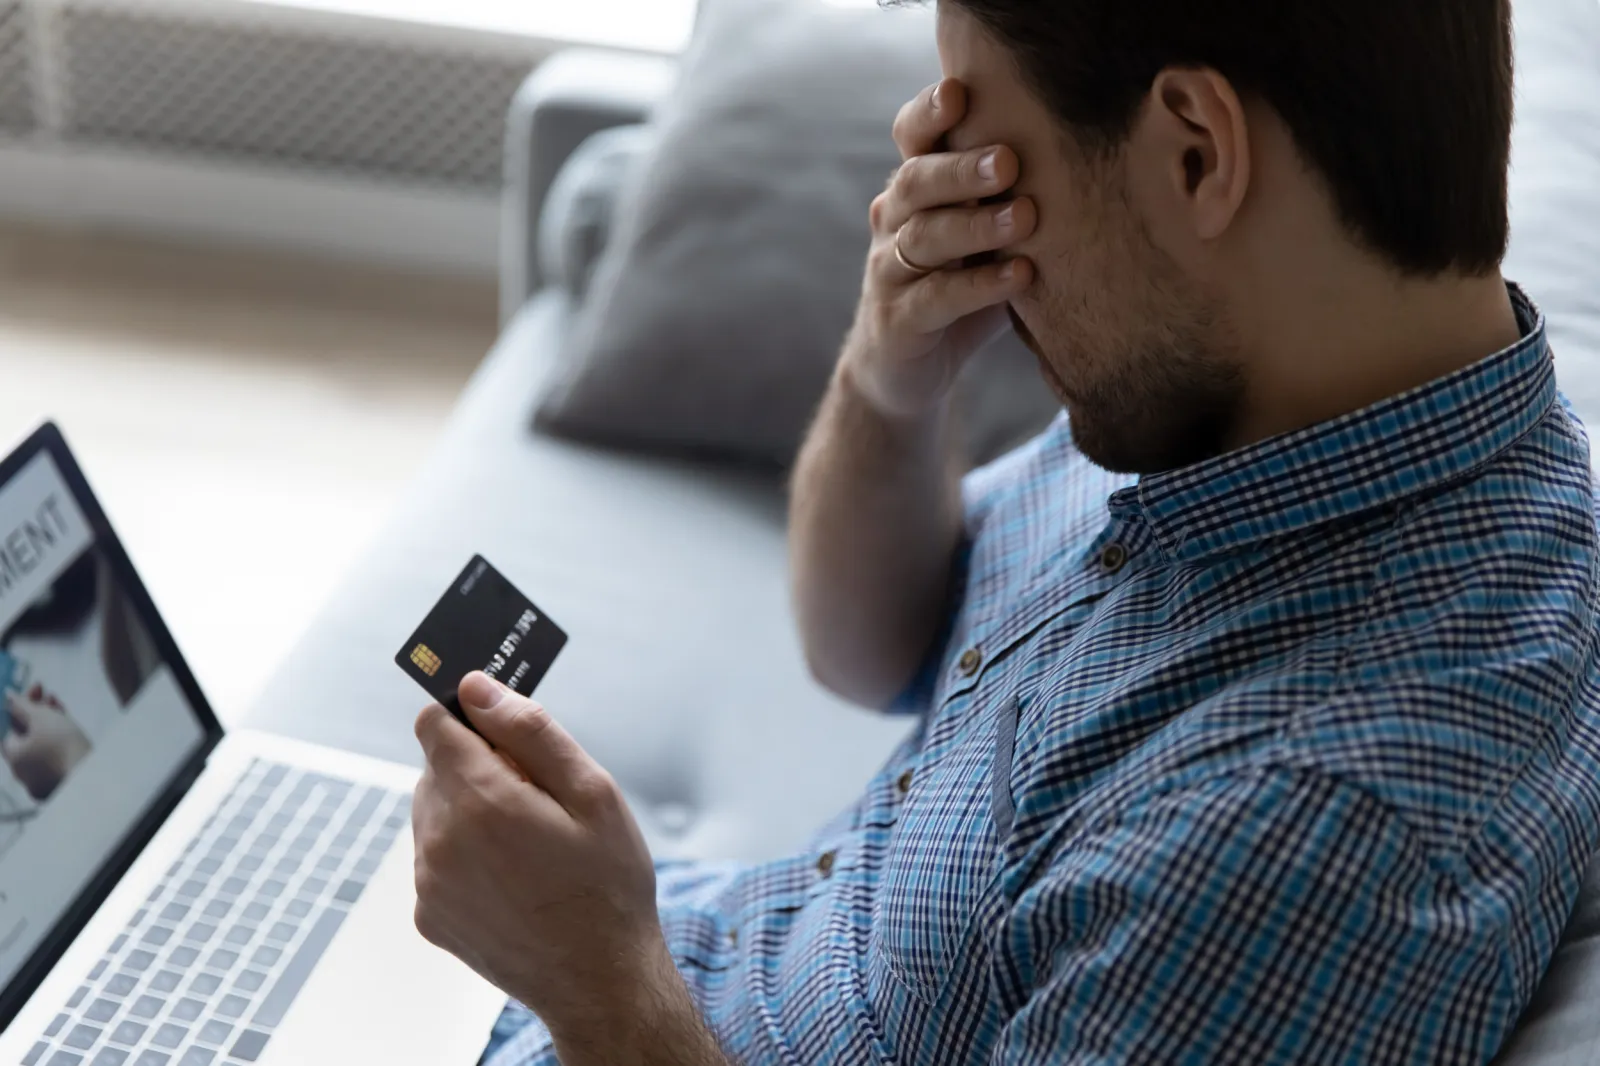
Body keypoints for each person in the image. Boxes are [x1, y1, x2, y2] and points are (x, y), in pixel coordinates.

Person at [409, 0, 1600, 1062]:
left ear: (1195, 153)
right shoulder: (1268, 396)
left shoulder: (1304, 840)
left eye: (996, 167)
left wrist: (603, 986)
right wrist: (890, 379)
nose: (987, 235)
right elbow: (868, 650)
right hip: (676, 943)